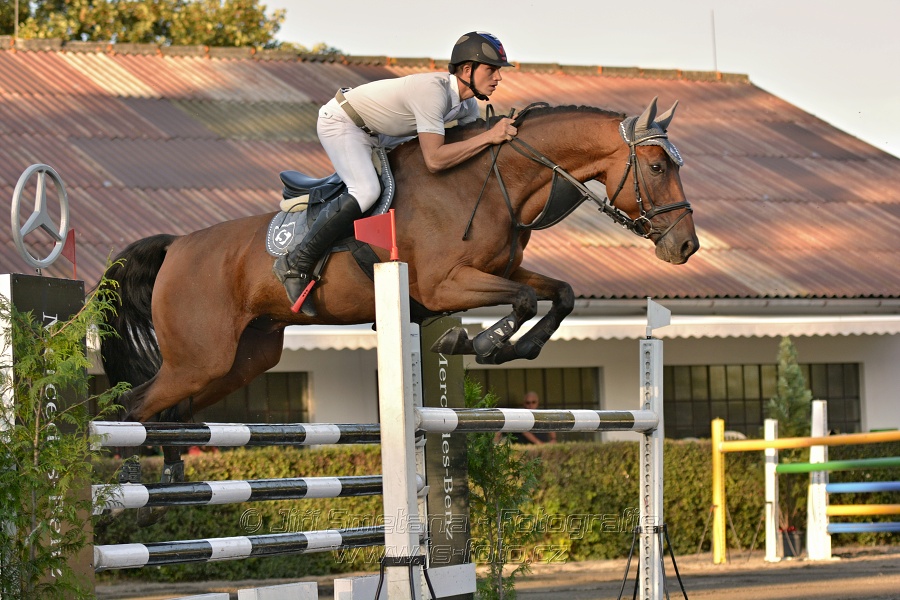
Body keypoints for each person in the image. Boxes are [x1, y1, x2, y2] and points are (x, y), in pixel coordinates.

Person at [273, 31, 519, 308]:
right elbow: (436, 159)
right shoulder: (432, 92)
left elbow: (468, 152)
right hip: (344, 123)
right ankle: (297, 262)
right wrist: (490, 136)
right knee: (366, 191)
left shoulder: (467, 105)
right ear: (466, 69)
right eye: (492, 70)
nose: (498, 78)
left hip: (382, 134)